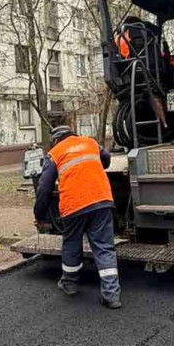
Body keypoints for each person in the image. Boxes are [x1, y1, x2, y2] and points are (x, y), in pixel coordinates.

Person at [34, 125, 122, 309]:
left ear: (55, 140)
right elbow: (106, 159)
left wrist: (40, 216)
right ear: (72, 134)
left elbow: (44, 187)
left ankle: (70, 284)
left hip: (73, 205)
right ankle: (112, 295)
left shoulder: (55, 152)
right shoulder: (90, 143)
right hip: (101, 200)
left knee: (72, 244)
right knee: (104, 247)